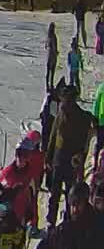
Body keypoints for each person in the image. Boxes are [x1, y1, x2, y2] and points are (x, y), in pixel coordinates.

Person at [51, 87, 97, 224]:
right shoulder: (61, 113)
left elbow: (84, 143)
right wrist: (48, 157)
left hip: (71, 162)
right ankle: (51, 220)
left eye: (66, 100)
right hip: (58, 160)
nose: (63, 103)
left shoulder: (81, 117)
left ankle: (70, 219)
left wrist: (80, 157)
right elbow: (53, 136)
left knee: (70, 194)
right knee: (54, 193)